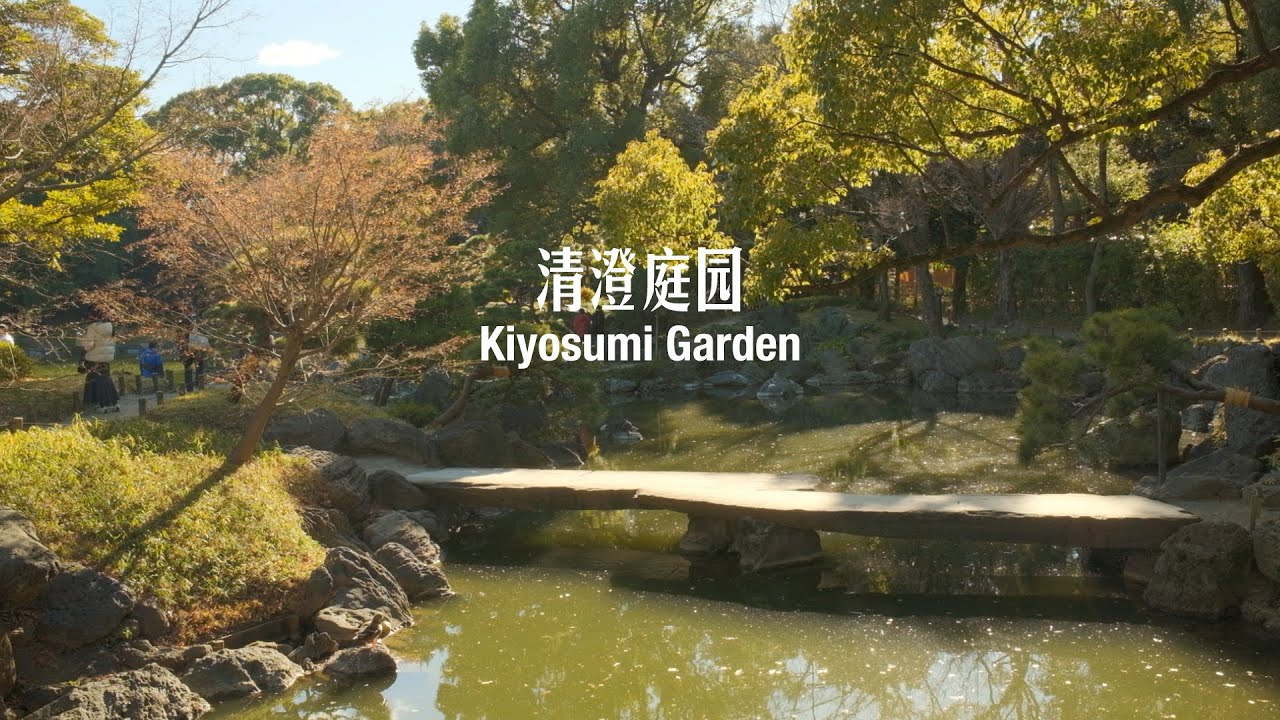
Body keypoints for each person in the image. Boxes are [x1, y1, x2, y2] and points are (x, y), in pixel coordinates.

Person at [78, 314, 119, 412]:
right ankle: (113, 403)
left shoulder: (93, 327)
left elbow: (88, 345)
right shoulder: (110, 326)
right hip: (107, 357)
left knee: (96, 380)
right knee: (106, 379)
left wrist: (82, 343)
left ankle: (102, 404)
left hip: (94, 357)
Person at [181, 327, 212, 393]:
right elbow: (208, 348)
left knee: (188, 371)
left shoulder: (188, 336)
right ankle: (199, 385)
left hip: (189, 353)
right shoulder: (204, 338)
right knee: (200, 369)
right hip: (200, 353)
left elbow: (184, 345)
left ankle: (189, 388)